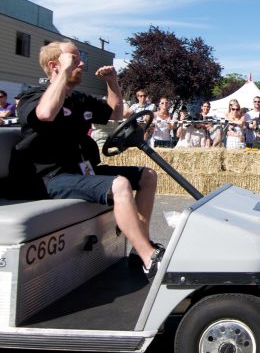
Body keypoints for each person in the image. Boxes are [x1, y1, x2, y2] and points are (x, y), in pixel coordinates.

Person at [14, 42, 162, 279]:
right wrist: (63, 72)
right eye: (74, 59)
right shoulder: (34, 97)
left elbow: (114, 112)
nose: (81, 63)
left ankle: (139, 249)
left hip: (81, 171)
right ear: (55, 65)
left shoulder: (79, 100)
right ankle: (150, 259)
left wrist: (112, 82)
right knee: (120, 184)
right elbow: (45, 114)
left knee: (147, 175)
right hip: (48, 177)